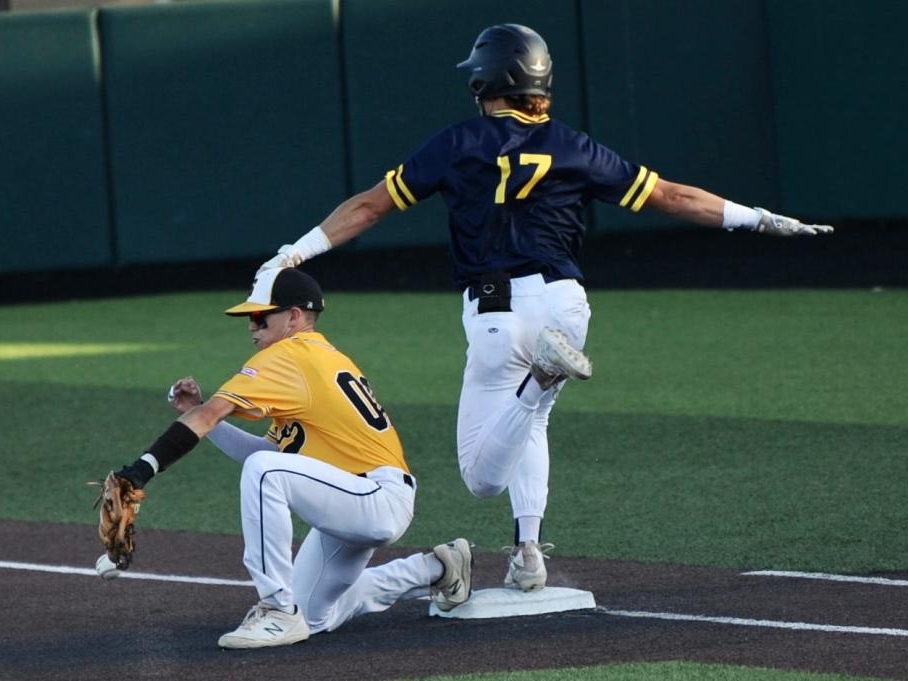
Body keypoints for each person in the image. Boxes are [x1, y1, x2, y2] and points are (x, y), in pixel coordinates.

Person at [256, 24, 833, 593]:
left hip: (498, 309)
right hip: (565, 304)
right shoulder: (573, 146)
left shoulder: (459, 143)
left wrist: (296, 252)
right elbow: (671, 197)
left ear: (488, 78)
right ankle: (529, 552)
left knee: (481, 477)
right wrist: (758, 216)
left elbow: (370, 207)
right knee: (534, 422)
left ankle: (538, 384)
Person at [109, 266, 473, 649]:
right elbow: (268, 453)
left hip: (374, 496)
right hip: (354, 496)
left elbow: (238, 441)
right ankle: (436, 568)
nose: (252, 327)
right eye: (250, 319)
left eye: (261, 317)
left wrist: (140, 470)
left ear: (294, 317)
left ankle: (277, 610)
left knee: (264, 474)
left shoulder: (289, 355)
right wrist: (197, 412)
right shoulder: (314, 358)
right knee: (315, 616)